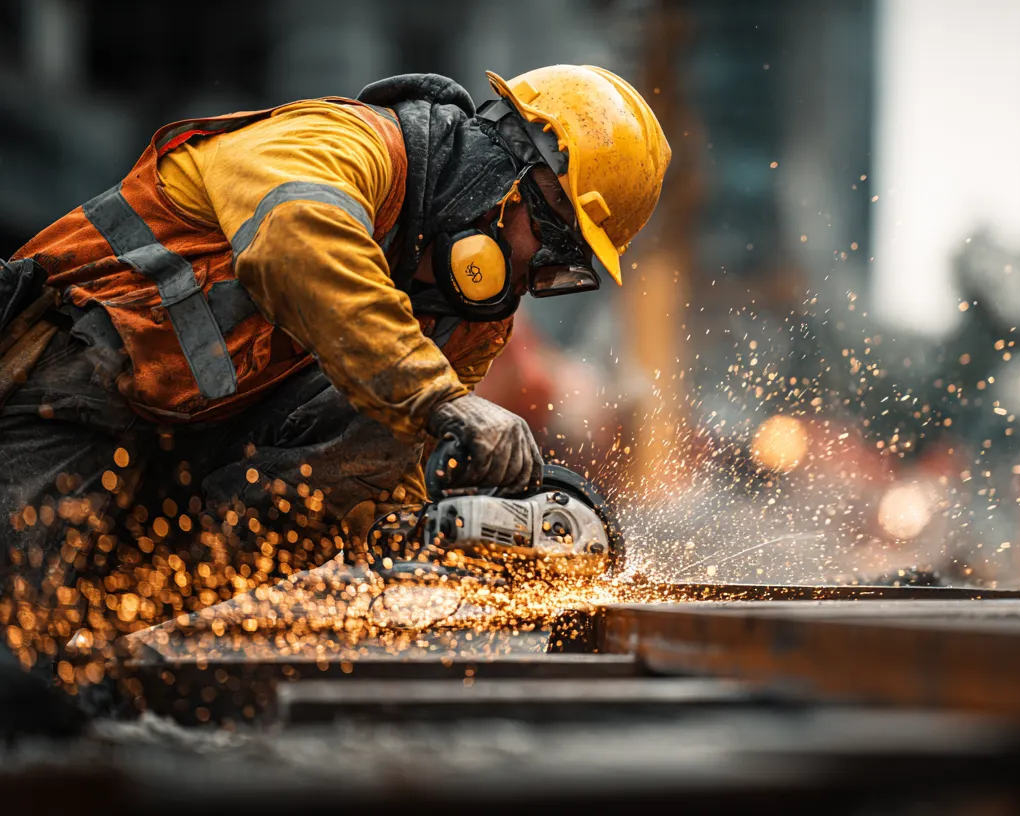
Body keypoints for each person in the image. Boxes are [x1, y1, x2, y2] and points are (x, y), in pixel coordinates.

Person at [0, 66, 670, 724]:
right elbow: (299, 245)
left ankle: (99, 621)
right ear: (503, 166)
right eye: (551, 232)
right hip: (55, 392)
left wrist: (435, 536)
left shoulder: (471, 324)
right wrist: (438, 397)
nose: (534, 268)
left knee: (391, 429)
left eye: (564, 263)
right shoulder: (347, 144)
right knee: (15, 634)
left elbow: (383, 469)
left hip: (173, 455)